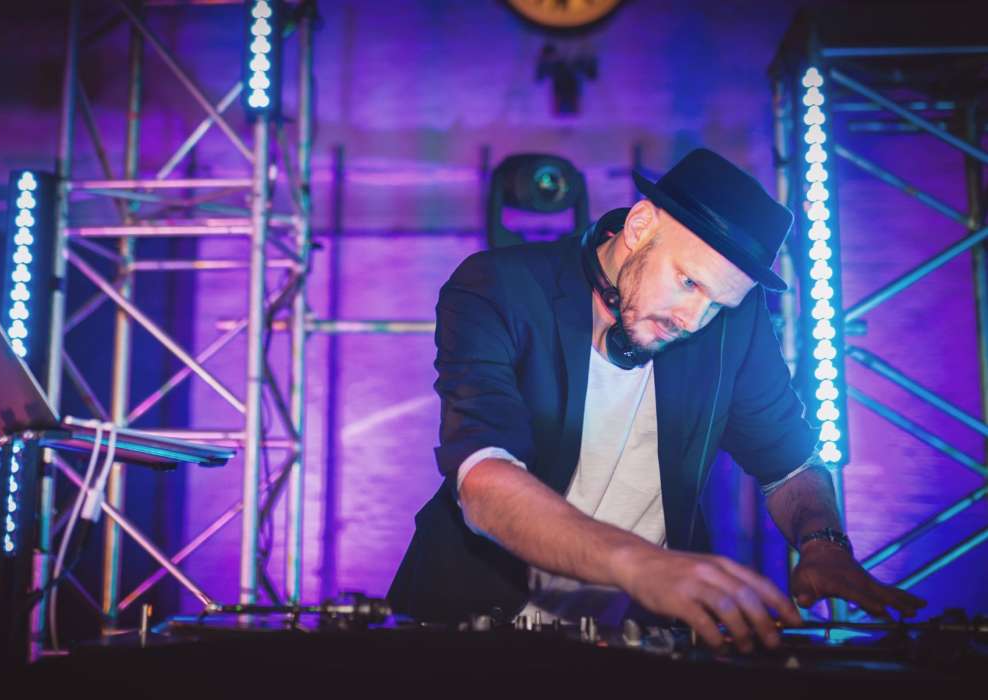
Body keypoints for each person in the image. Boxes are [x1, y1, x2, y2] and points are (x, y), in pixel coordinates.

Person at [387, 148, 925, 652]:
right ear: (640, 226)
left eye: (718, 304)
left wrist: (824, 543)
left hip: (640, 641)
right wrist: (639, 564)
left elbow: (789, 465)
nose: (692, 319)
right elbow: (484, 480)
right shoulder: (500, 288)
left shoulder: (732, 323)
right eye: (689, 282)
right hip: (472, 630)